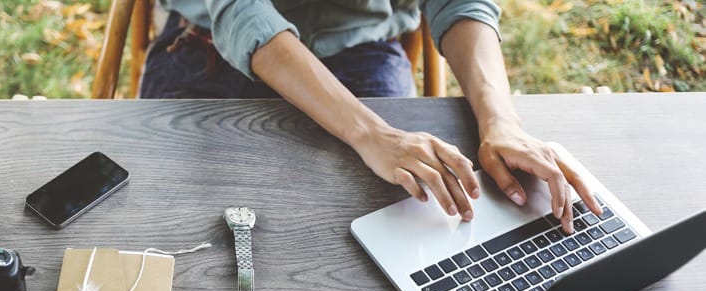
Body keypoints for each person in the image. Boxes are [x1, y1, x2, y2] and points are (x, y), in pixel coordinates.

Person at [140, 0, 601, 233]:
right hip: (210, 44)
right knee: (171, 217)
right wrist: (372, 134)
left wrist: (501, 123)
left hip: (360, 46)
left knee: (409, 220)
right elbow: (241, 10)